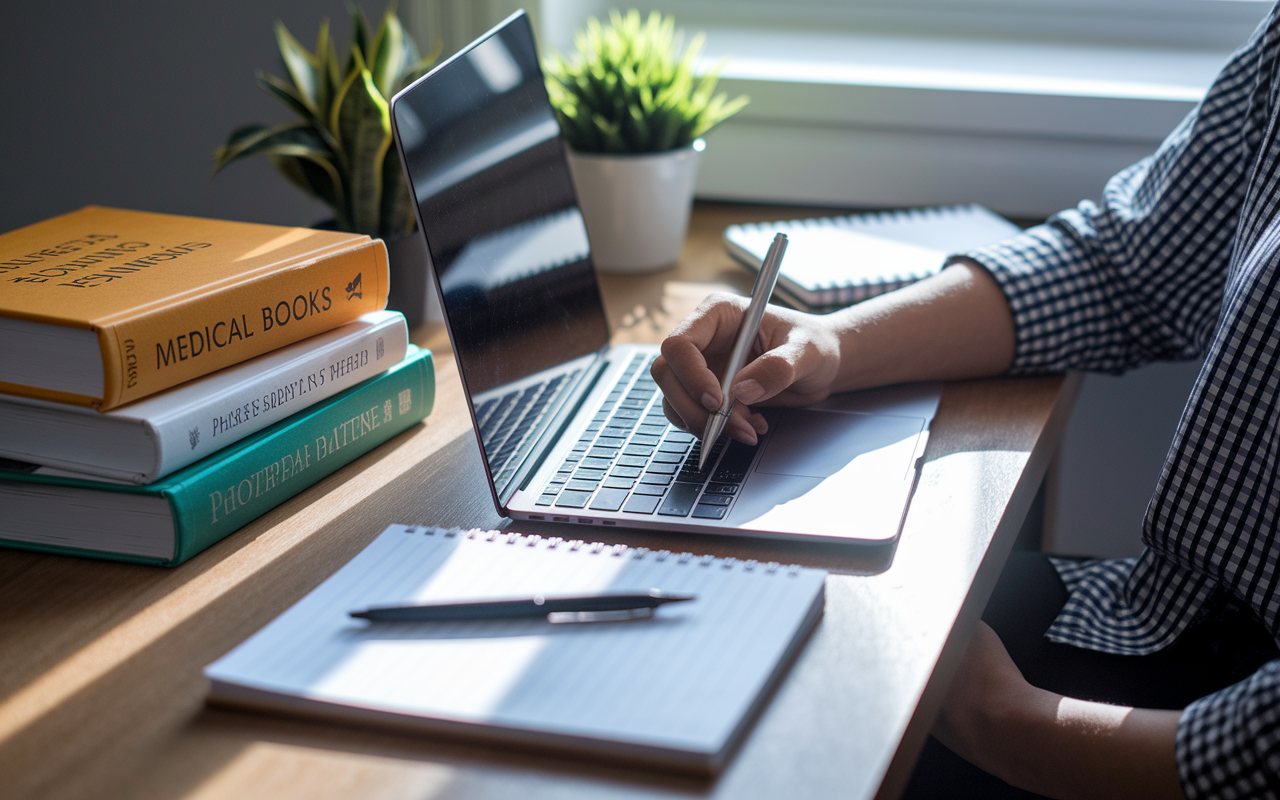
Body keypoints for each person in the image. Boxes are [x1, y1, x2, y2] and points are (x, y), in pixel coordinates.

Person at [651, 6, 1280, 798]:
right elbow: (1125, 265)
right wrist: (831, 345)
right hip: (1162, 614)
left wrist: (1001, 718)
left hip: (1189, 747)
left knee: (772, 738)